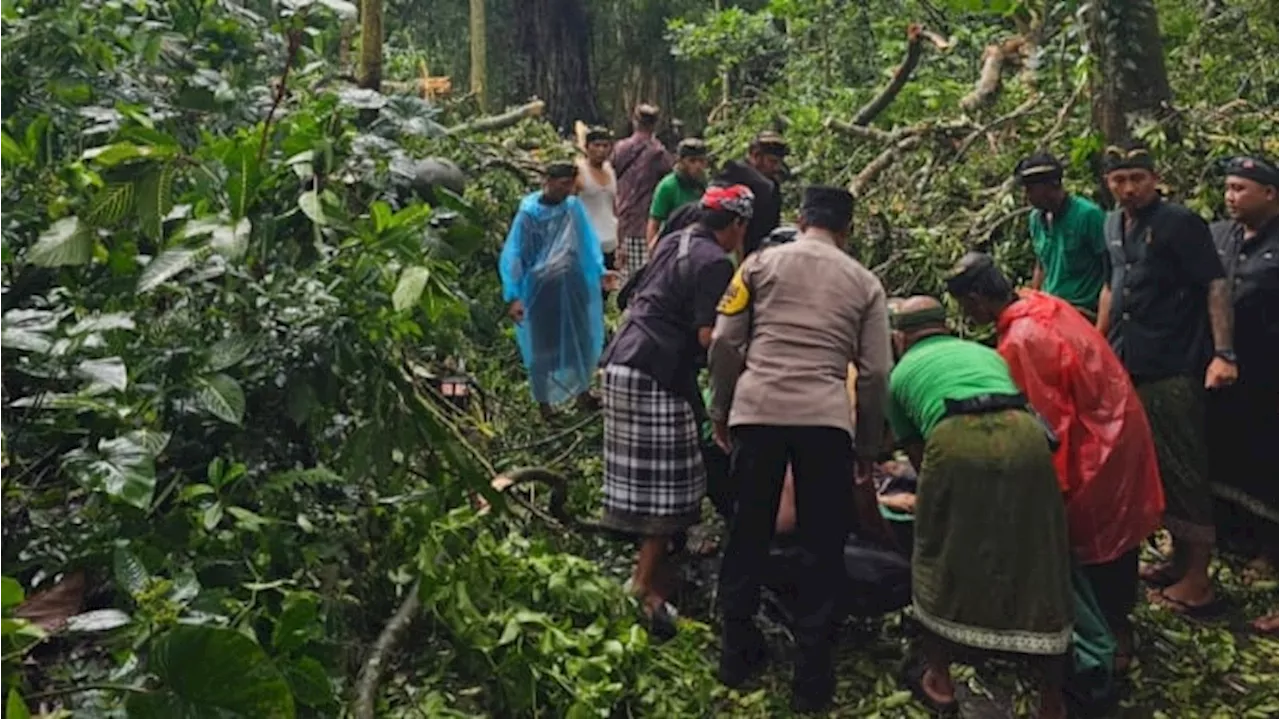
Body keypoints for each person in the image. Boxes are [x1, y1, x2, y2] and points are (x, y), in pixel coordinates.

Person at [708, 186, 892, 713]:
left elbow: (724, 342)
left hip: (758, 413)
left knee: (747, 531)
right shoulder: (864, 282)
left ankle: (735, 654)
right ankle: (813, 679)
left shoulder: (758, 265)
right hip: (824, 422)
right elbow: (877, 371)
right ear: (847, 229)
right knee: (822, 543)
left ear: (801, 218)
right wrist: (867, 444)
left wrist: (721, 410)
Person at [946, 252, 1165, 671]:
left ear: (976, 298)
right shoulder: (1044, 304)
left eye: (964, 306)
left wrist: (1046, 493)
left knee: (1095, 543)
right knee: (1114, 538)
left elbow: (1047, 425)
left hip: (1096, 444)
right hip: (1114, 427)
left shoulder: (1023, 341)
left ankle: (1109, 639)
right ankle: (1116, 627)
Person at [884, 296, 1072, 719]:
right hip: (1025, 434)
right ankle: (1051, 701)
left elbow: (920, 462)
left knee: (937, 548)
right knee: (1039, 551)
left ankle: (940, 679)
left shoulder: (897, 378)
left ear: (899, 337)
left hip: (954, 438)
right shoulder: (984, 352)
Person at [597, 185, 753, 636]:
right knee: (670, 486)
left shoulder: (674, 239)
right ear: (737, 226)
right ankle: (643, 588)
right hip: (655, 369)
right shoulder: (713, 263)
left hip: (623, 361)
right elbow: (710, 337)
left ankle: (658, 574)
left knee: (646, 478)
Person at [1098, 140, 1237, 617]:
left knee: (1184, 467)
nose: (1128, 188)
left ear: (1154, 179)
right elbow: (1109, 287)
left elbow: (1214, 284)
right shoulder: (1111, 223)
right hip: (1127, 361)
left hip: (1174, 364)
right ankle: (1177, 561)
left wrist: (1222, 353)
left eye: (1137, 178)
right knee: (1153, 468)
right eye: (1119, 180)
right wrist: (1099, 347)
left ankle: (1198, 579)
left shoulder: (1181, 224)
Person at [1207, 156, 1280, 633]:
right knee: (1232, 458)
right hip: (1226, 372)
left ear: (1270, 194)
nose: (1232, 196)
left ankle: (1271, 552)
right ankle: (1237, 539)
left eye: (1241, 188)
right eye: (1228, 187)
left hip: (1271, 374)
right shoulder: (1218, 236)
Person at [499, 162, 613, 421]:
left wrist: (599, 270)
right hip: (542, 290)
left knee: (580, 339)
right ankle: (545, 405)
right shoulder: (529, 214)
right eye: (563, 184)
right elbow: (516, 254)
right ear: (548, 181)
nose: (568, 190)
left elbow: (587, 242)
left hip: (573, 286)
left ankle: (583, 394)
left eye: (571, 185)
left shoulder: (573, 208)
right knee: (543, 346)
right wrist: (514, 295)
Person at [1014, 153, 1109, 319]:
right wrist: (1033, 301)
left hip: (1083, 312)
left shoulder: (1088, 215)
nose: (1026, 196)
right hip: (1049, 310)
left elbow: (1111, 273)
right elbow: (1041, 264)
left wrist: (1100, 330)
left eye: (1030, 189)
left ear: (1053, 184)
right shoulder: (1036, 218)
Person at [611, 104, 674, 280]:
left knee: (625, 281)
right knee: (646, 279)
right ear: (655, 124)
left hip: (622, 224)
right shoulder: (659, 153)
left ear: (634, 121)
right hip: (647, 227)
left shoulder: (620, 148)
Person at [717, 130, 787, 257]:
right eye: (772, 161)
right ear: (755, 156)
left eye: (778, 162)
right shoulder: (733, 177)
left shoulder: (772, 185)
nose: (776, 168)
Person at [647, 138, 709, 249]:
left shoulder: (705, 185)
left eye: (701, 161)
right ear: (680, 161)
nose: (698, 166)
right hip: (673, 246)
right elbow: (654, 224)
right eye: (692, 161)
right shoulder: (668, 186)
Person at [575, 126, 619, 284]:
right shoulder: (579, 172)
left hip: (610, 242)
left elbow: (614, 205)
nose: (601, 150)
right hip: (586, 244)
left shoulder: (610, 171)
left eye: (605, 146)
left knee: (605, 292)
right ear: (587, 147)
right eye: (596, 145)